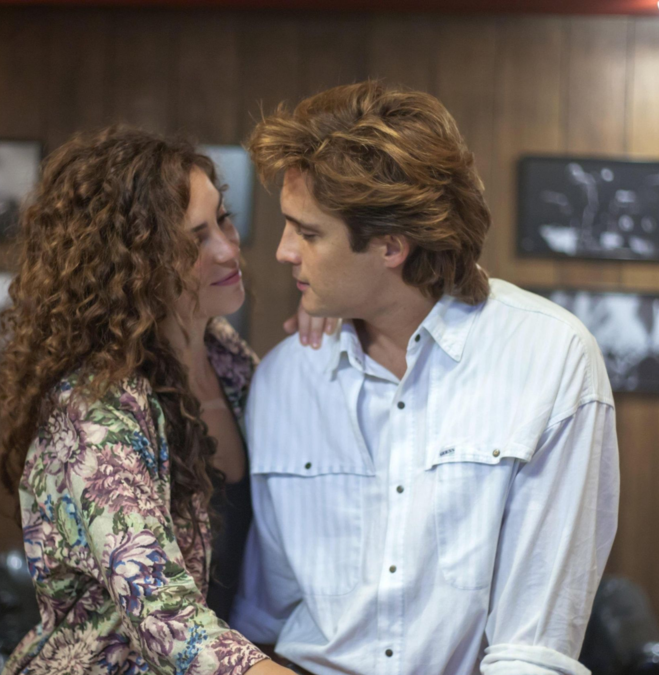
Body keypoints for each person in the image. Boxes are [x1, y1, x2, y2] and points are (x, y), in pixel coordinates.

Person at [231, 81, 621, 675]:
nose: (284, 251)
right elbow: (266, 619)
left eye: (308, 233)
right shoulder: (285, 378)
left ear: (391, 246)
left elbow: (533, 650)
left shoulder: (551, 360)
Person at [0, 127, 314, 675]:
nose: (227, 248)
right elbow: (166, 617)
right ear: (133, 266)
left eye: (224, 220)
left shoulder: (229, 359)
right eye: (195, 240)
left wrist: (334, 312)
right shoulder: (95, 409)